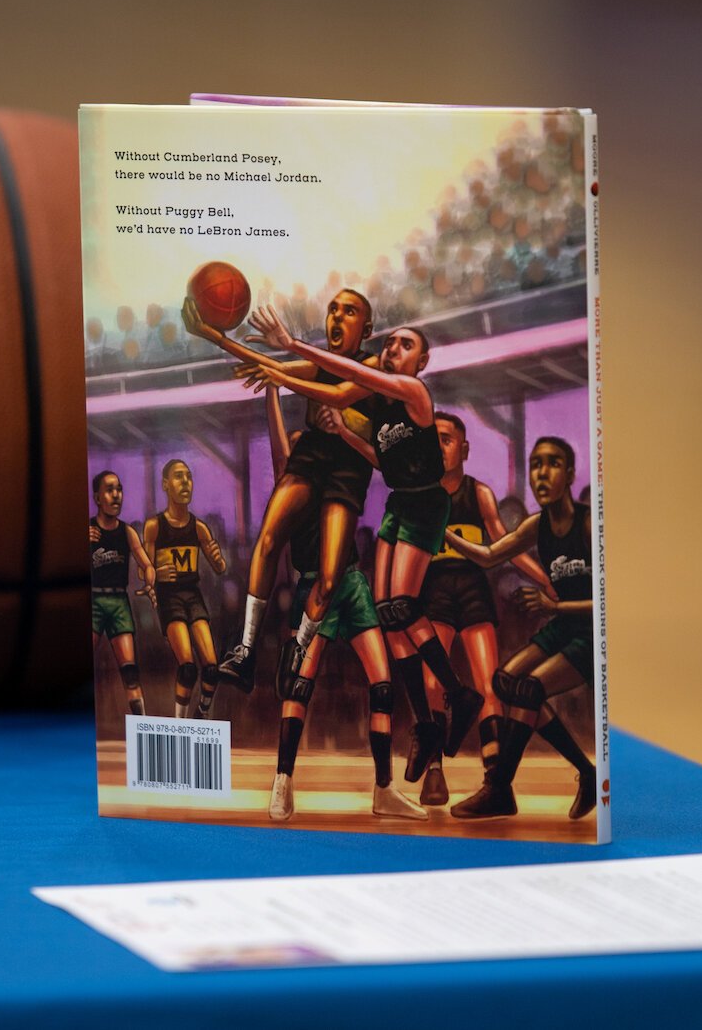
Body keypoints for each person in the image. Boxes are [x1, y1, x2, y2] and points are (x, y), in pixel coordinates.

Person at [245, 312, 486, 785]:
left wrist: (289, 348)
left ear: (423, 361)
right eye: (391, 344)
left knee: (398, 607)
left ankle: (459, 693)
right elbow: (370, 439)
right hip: (400, 501)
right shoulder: (379, 405)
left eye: (406, 346)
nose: (394, 350)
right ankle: (425, 726)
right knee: (391, 616)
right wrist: (346, 435)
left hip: (424, 505)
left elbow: (344, 378)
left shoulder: (415, 394)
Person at [181, 289, 377, 699]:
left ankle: (298, 647)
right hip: (313, 457)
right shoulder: (318, 366)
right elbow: (267, 364)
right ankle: (247, 651)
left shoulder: (374, 367)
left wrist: (283, 371)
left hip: (346, 469)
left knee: (328, 577)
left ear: (367, 328)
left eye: (349, 311)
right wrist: (213, 336)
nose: (337, 318)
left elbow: (337, 390)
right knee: (268, 539)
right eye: (333, 310)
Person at [259, 386, 424, 822]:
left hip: (350, 583)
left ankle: (384, 789)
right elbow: (280, 447)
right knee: (299, 685)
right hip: (314, 588)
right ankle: (283, 780)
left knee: (383, 685)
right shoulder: (290, 483)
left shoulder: (336, 479)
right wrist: (272, 391)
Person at [439, 437, 597, 821]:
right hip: (564, 624)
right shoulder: (536, 525)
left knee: (528, 690)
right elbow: (490, 555)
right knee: (505, 682)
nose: (542, 473)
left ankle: (498, 789)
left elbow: (613, 602)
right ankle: (587, 773)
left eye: (553, 463)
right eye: (536, 465)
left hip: (594, 631)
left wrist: (552, 606)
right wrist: (441, 530)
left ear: (571, 474)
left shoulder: (590, 523)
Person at [414, 412, 556, 804]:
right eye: (434, 439)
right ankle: (435, 771)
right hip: (435, 592)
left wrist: (543, 578)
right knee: (430, 685)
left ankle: (494, 779)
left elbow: (504, 545)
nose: (439, 447)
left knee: (487, 683)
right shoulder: (421, 496)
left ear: (464, 449)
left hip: (473, 589)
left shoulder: (479, 494)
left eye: (446, 439)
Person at [140, 460, 227, 718]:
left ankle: (202, 712)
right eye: (178, 477)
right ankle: (180, 724)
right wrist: (154, 573)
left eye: (189, 477)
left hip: (193, 595)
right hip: (170, 598)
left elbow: (220, 568)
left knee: (211, 668)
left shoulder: (199, 528)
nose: (185, 482)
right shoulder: (155, 526)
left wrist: (216, 555)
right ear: (166, 485)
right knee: (188, 667)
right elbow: (142, 571)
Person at [89, 471, 156, 715]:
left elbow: (146, 563)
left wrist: (150, 582)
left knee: (130, 670)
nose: (116, 495)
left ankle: (141, 724)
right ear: (97, 497)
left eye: (119, 489)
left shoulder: (126, 532)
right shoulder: (88, 530)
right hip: (94, 600)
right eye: (109, 490)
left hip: (118, 601)